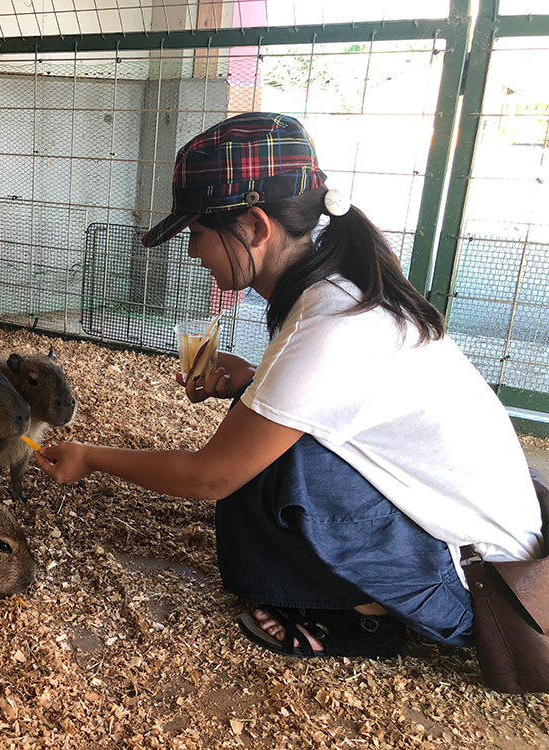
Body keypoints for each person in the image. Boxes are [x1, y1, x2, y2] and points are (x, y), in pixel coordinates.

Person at [32, 111, 544, 658]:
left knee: (273, 465)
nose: (191, 252)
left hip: (484, 595)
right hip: (484, 557)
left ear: (254, 227)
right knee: (263, 436)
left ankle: (362, 614)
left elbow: (211, 478)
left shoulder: (330, 326)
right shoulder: (339, 290)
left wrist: (89, 457)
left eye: (199, 233)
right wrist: (253, 382)